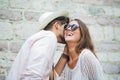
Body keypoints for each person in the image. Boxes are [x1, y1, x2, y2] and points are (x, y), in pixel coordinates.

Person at [7, 11, 69, 80]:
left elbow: (51, 78)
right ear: (57, 25)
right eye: (65, 27)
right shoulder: (49, 37)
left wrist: (65, 54)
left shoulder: (44, 38)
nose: (68, 30)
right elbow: (33, 74)